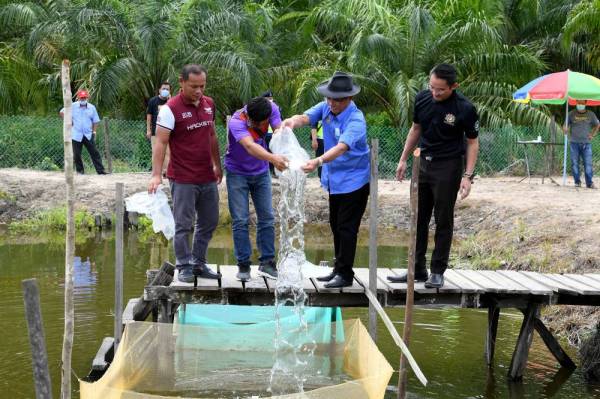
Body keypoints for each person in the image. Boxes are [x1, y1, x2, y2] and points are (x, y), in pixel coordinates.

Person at [388, 63, 479, 288]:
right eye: (432, 87)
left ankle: (438, 270)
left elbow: (472, 142)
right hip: (423, 164)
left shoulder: (464, 108)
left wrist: (467, 176)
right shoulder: (422, 99)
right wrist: (403, 159)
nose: (435, 93)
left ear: (454, 86)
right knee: (417, 217)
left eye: (440, 89)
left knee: (443, 220)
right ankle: (416, 268)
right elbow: (415, 129)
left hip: (448, 166)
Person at [281, 71, 370, 288]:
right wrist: (291, 122)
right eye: (329, 98)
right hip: (335, 180)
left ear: (349, 99)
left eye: (337, 100)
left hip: (355, 181)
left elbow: (341, 147)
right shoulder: (326, 108)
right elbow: (305, 117)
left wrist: (317, 161)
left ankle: (346, 275)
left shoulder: (356, 120)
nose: (332, 103)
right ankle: (338, 269)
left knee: (347, 227)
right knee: (335, 225)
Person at [148, 64, 222, 283]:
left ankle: (199, 262)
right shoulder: (170, 109)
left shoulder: (209, 104)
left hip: (207, 175)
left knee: (210, 220)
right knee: (184, 223)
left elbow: (211, 136)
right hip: (183, 177)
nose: (198, 91)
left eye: (202, 86)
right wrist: (156, 175)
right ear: (181, 82)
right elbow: (161, 142)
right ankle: (184, 264)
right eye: (193, 86)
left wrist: (217, 165)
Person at [224, 96, 287, 281]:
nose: (258, 125)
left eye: (262, 123)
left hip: (260, 173)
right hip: (237, 174)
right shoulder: (237, 122)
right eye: (254, 122)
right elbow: (250, 147)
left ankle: (267, 263)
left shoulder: (272, 108)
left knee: (267, 217)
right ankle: (243, 266)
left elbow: (279, 131)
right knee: (240, 220)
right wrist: (274, 159)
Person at [59, 89, 107, 175]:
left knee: (94, 153)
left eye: (85, 98)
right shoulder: (72, 106)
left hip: (88, 134)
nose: (83, 99)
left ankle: (101, 171)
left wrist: (94, 132)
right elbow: (62, 112)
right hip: (76, 134)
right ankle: (80, 172)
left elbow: (95, 121)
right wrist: (68, 121)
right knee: (76, 154)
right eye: (81, 98)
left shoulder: (92, 108)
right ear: (78, 98)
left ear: (87, 98)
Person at [566, 100, 599, 188]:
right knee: (574, 163)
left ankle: (589, 183)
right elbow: (565, 125)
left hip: (586, 143)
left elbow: (597, 124)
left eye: (582, 103)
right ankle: (577, 182)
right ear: (576, 102)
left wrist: (593, 134)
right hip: (574, 143)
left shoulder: (591, 114)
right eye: (578, 103)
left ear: (585, 103)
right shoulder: (571, 114)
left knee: (588, 163)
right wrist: (565, 130)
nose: (580, 105)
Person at [146, 81, 171, 174]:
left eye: (167, 89)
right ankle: (156, 172)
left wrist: (169, 101)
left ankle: (166, 172)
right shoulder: (153, 101)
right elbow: (149, 116)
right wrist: (148, 130)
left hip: (168, 132)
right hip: (155, 132)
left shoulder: (172, 102)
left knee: (168, 153)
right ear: (159, 90)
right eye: (163, 89)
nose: (165, 90)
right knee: (156, 152)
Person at [261, 89, 281, 176]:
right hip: (264, 135)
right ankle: (266, 171)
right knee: (264, 152)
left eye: (271, 98)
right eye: (268, 98)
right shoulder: (260, 108)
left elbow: (280, 120)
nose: (270, 100)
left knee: (274, 152)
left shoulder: (276, 108)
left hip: (273, 134)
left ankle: (273, 172)